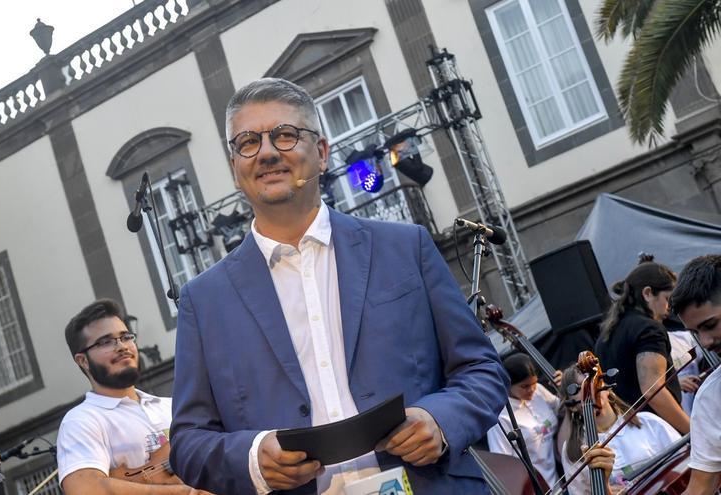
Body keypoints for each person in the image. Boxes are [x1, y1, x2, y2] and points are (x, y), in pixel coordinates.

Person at [169, 77, 508, 494]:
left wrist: (441, 420)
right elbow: (187, 441)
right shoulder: (204, 302)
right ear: (235, 168)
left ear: (323, 152)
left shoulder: (405, 247)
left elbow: (481, 368)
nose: (268, 152)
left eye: (285, 135)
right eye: (247, 142)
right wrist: (253, 456)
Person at [56, 299, 209, 495]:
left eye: (126, 337)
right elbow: (85, 489)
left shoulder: (173, 406)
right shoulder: (81, 421)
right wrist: (185, 493)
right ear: (83, 360)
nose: (122, 346)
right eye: (106, 342)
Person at [594, 258, 689, 433]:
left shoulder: (607, 334)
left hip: (631, 433)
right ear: (647, 293)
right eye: (667, 298)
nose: (670, 307)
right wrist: (691, 431)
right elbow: (653, 390)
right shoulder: (649, 329)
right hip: (658, 433)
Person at [559, 365, 681, 494]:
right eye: (577, 389)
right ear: (571, 406)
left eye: (593, 381)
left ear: (606, 388)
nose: (589, 389)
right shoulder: (572, 450)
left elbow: (686, 460)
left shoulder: (648, 422)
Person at [670, 254, 721, 495]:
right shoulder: (711, 397)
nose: (706, 342)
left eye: (710, 325)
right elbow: (700, 488)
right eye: (695, 332)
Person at [487, 353, 562, 486]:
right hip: (533, 487)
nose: (532, 389)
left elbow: (563, 408)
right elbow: (503, 462)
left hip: (560, 479)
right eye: (525, 386)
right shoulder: (501, 417)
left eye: (534, 383)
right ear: (508, 384)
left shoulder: (538, 390)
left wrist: (564, 387)